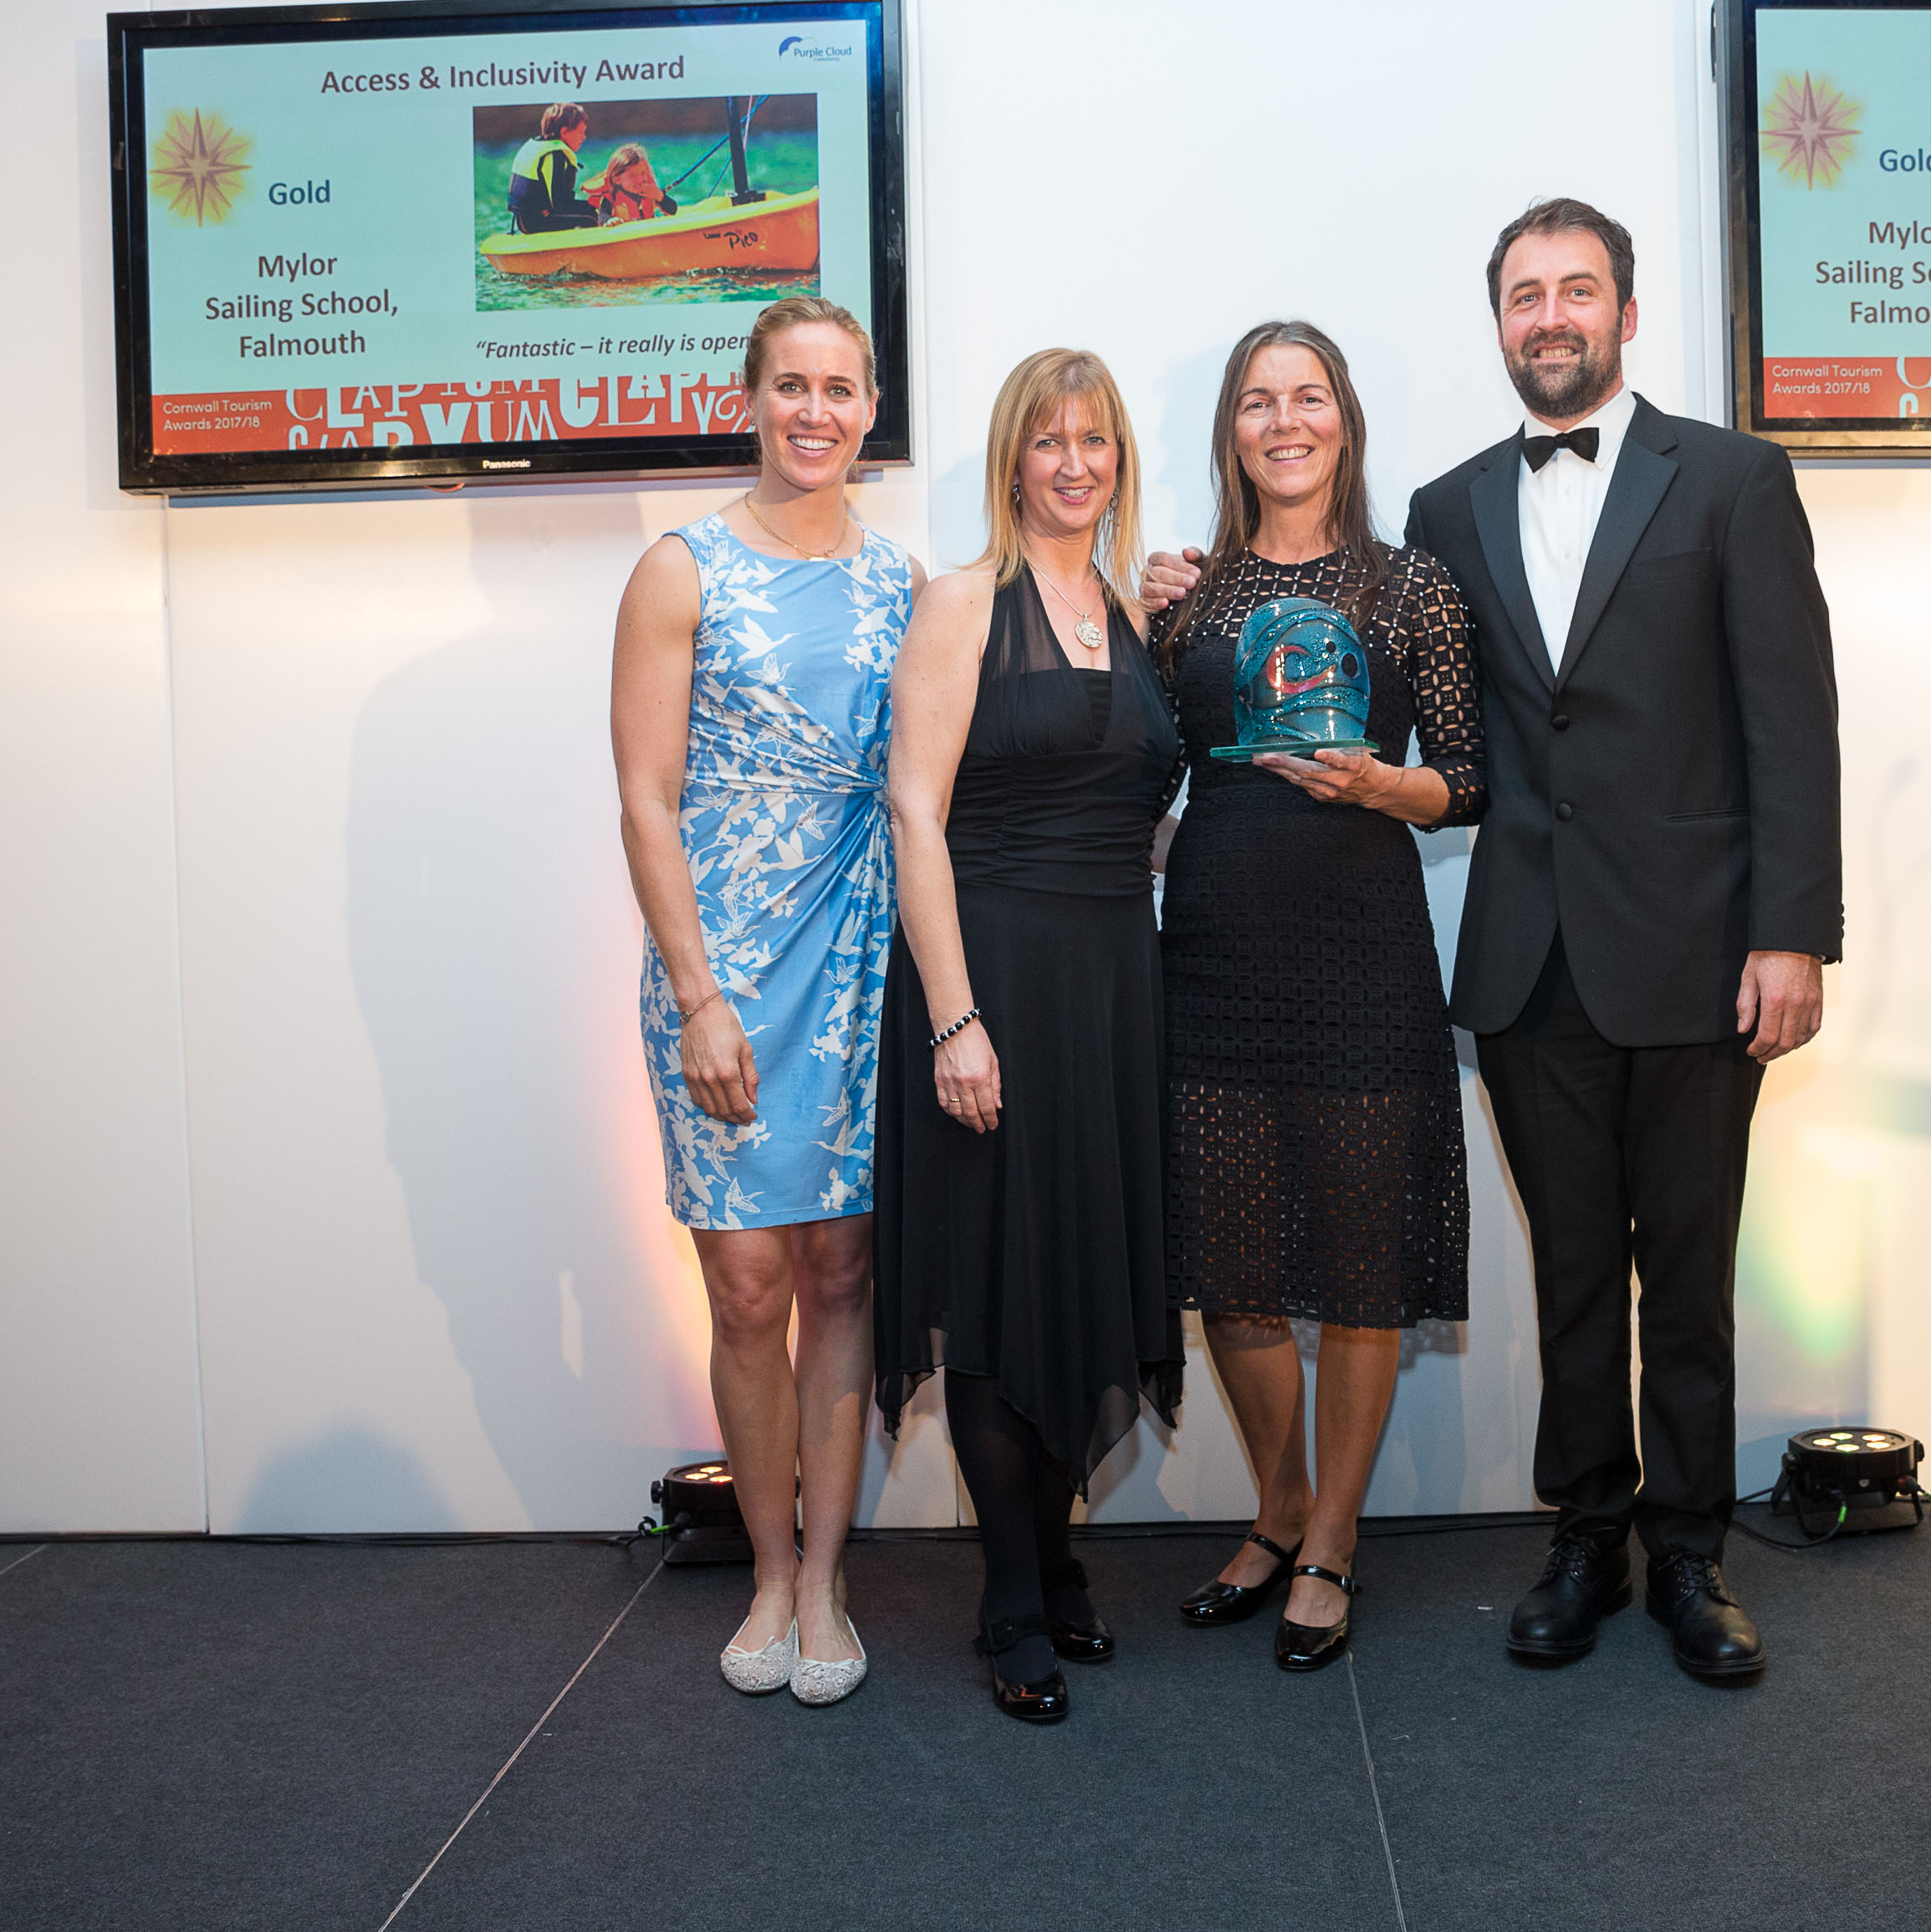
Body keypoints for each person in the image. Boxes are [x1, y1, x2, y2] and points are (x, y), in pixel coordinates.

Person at [1147, 198, 1840, 1684]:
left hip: (1701, 953)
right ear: (1499, 327)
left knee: (1696, 1270)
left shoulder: (1733, 477)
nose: (1551, 318)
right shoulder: (1452, 513)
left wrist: (1794, 935)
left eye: (1575, 292)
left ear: (1625, 314)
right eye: (1525, 297)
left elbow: (1793, 721)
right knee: (1577, 1271)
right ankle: (1587, 1539)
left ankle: (1695, 1555)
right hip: (1529, 963)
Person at [1146, 321, 1484, 1673]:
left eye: (1309, 397)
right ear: (1232, 431)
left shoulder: (1415, 588)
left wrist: (1381, 785)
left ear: (1343, 419)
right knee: (1229, 1264)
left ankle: (1333, 1535)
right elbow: (1145, 765)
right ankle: (1277, 1505)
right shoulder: (1188, 597)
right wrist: (1130, 612)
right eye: (1255, 401)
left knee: (1357, 1265)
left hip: (1364, 954)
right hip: (1217, 952)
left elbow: (1467, 773)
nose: (1284, 421)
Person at [611, 294, 914, 1710]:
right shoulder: (681, 570)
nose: (815, 411)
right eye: (790, 386)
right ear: (753, 398)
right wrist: (696, 995)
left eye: (839, 389)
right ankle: (771, 1572)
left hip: (858, 959)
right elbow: (645, 800)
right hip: (723, 967)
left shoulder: (905, 584)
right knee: (743, 1284)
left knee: (843, 1274)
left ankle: (834, 1575)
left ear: (868, 407)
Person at [876, 350, 1185, 1725]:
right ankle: (1012, 1599)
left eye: (1096, 442)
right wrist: (956, 1018)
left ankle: (1056, 1560)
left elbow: (1138, 797)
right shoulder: (960, 603)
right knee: (1004, 1289)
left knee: (1083, 1274)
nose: (1075, 464)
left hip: (1115, 986)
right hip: (990, 979)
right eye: (1049, 442)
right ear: (1012, 460)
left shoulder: (1125, 611)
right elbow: (914, 814)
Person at [508, 102, 600, 233]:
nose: (584, 137)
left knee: (592, 207)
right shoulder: (555, 155)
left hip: (523, 221)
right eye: (581, 132)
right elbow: (560, 204)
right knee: (592, 215)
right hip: (539, 222)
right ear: (564, 132)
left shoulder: (536, 146)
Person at [585, 141, 680, 224]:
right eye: (632, 176)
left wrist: (660, 197)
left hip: (648, 238)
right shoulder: (610, 197)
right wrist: (610, 221)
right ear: (617, 179)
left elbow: (673, 211)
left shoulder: (650, 192)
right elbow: (602, 216)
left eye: (643, 173)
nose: (640, 180)